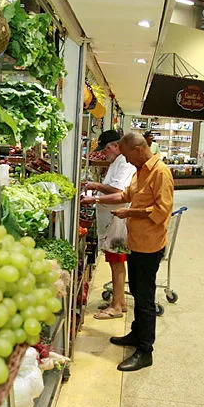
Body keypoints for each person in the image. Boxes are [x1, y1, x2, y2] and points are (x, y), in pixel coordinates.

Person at [82, 132, 174, 371]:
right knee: (135, 289)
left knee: (144, 298)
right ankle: (135, 334)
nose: (126, 160)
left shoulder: (160, 172)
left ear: (138, 149)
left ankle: (145, 351)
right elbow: (125, 195)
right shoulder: (140, 170)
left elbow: (161, 211)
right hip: (136, 242)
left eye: (126, 155)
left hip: (150, 245)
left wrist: (129, 213)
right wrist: (95, 200)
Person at [81, 129, 136, 321]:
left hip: (118, 221)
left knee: (117, 260)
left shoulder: (124, 164)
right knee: (115, 261)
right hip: (113, 220)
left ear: (114, 146)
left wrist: (95, 190)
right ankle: (119, 300)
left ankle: (117, 307)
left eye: (105, 150)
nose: (104, 155)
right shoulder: (117, 162)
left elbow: (119, 191)